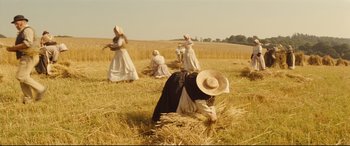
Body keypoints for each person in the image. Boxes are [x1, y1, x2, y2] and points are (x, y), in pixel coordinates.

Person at [152, 70, 229, 122]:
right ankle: (163, 120)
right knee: (169, 103)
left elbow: (211, 102)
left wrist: (213, 112)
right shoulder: (199, 91)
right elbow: (202, 105)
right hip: (177, 85)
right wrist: (211, 116)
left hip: (182, 81)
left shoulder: (206, 83)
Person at [6, 15, 47, 104]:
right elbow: (23, 47)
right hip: (28, 56)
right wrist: (11, 48)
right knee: (23, 78)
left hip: (29, 56)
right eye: (15, 24)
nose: (16, 26)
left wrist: (13, 48)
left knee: (21, 76)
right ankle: (28, 99)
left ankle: (40, 89)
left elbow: (27, 44)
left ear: (23, 22)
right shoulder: (23, 31)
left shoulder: (27, 30)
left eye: (17, 23)